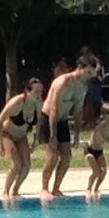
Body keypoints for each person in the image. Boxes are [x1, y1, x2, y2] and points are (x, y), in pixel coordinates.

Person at [39, 60, 83, 198]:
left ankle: (56, 188)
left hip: (63, 121)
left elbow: (78, 112)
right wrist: (53, 135)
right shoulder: (61, 83)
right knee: (52, 156)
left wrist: (76, 135)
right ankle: (44, 188)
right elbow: (53, 109)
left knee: (66, 156)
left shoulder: (81, 87)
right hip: (48, 119)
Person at [0, 78, 43, 199]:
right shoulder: (17, 102)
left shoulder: (38, 103)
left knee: (27, 166)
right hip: (7, 135)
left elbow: (38, 123)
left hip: (21, 136)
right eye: (36, 91)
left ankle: (15, 190)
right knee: (17, 165)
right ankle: (6, 191)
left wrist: (35, 140)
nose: (39, 94)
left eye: (41, 91)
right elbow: (0, 120)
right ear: (27, 91)